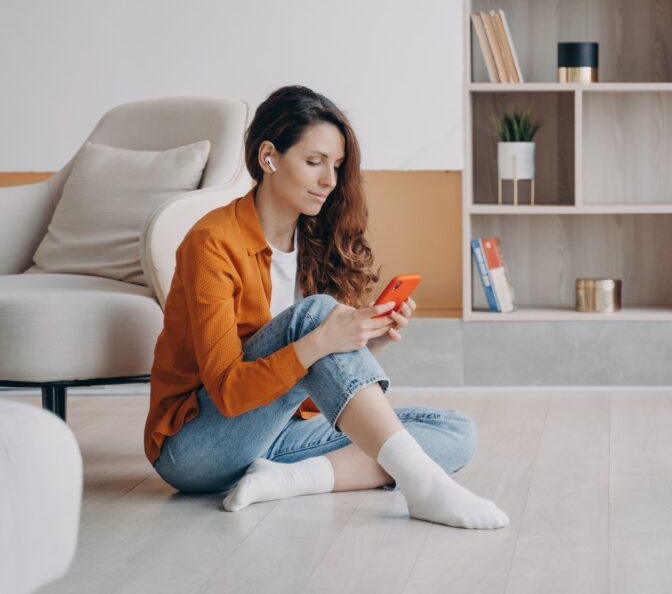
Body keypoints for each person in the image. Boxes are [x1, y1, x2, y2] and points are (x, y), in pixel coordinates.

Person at [142, 85, 508, 530]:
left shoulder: (315, 242)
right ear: (269, 157)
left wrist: (365, 343)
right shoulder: (213, 244)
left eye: (335, 166)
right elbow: (230, 392)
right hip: (196, 447)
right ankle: (425, 489)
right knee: (318, 316)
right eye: (314, 162)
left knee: (455, 433)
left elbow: (319, 379)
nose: (329, 181)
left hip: (278, 433)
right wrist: (322, 340)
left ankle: (291, 479)